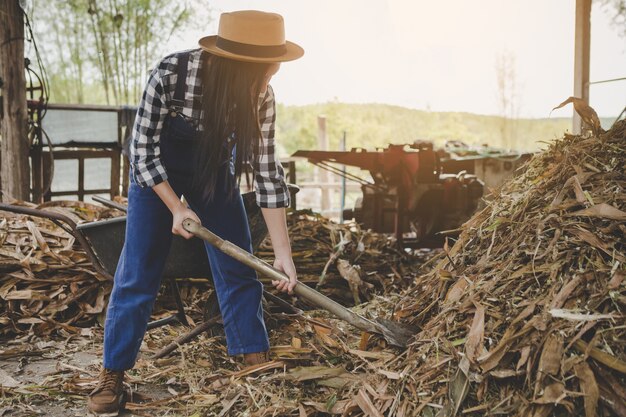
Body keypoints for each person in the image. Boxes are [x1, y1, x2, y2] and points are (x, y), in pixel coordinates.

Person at [87, 10, 304, 416]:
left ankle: (252, 358)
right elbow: (142, 150)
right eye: (265, 73)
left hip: (212, 175)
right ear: (238, 66)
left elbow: (265, 172)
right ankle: (112, 373)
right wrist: (175, 206)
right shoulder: (172, 73)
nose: (268, 81)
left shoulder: (260, 95)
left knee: (239, 266)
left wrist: (283, 255)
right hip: (156, 178)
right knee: (137, 274)